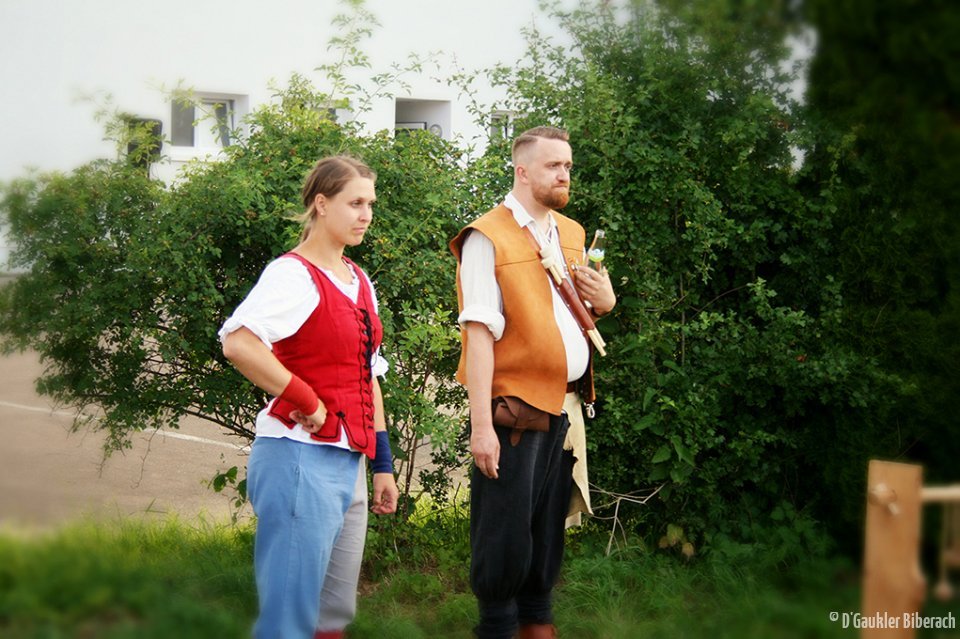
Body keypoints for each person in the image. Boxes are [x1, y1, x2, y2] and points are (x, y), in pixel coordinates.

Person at [220, 155, 399, 639]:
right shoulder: (292, 275)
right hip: (297, 458)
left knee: (331, 615)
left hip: (349, 460)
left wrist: (382, 463)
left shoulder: (359, 280)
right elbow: (239, 342)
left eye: (370, 204)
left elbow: (367, 375)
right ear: (321, 204)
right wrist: (308, 399)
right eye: (355, 203)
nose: (366, 215)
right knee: (289, 619)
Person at [449, 126, 617, 639]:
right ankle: (498, 628)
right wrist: (482, 427)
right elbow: (479, 336)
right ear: (522, 171)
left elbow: (574, 314)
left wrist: (605, 302)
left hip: (564, 409)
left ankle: (537, 623)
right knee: (504, 539)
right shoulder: (487, 237)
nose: (564, 175)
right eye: (553, 166)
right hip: (514, 413)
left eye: (567, 166)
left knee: (546, 537)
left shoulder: (571, 232)